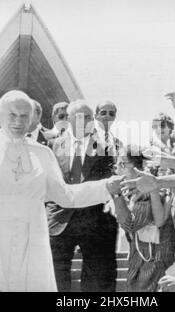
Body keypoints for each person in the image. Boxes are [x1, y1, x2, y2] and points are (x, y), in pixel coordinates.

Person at [0, 67, 120, 292]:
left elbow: (66, 196)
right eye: (12, 115)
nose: (18, 121)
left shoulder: (42, 153)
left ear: (32, 120)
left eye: (24, 116)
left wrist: (106, 186)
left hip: (32, 241)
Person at [48, 100, 118, 292]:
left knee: (96, 283)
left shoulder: (107, 148)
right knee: (54, 281)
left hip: (95, 224)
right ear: (69, 119)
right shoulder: (52, 146)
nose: (87, 120)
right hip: (59, 222)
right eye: (81, 116)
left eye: (89, 117)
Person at [106, 145, 175, 292]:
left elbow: (129, 224)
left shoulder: (148, 189)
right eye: (117, 165)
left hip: (154, 260)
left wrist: (116, 195)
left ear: (138, 166)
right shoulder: (133, 190)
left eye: (122, 164)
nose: (118, 170)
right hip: (141, 257)